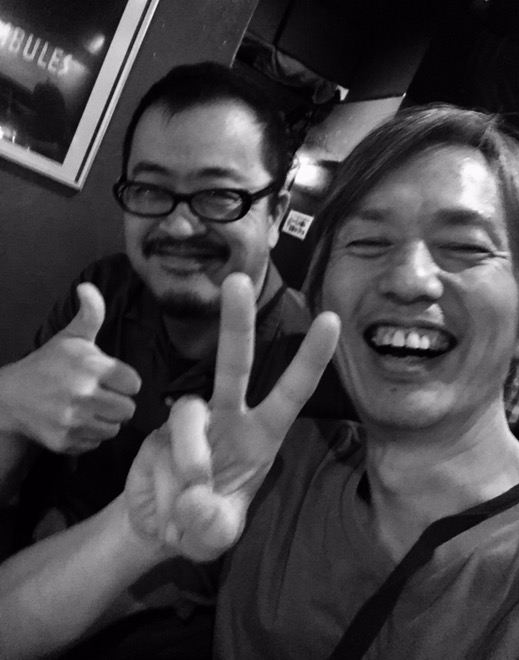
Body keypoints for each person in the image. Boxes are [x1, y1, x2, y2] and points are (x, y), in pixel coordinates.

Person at [2, 103, 519, 659]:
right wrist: (132, 532)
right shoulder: (277, 466)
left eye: (466, 247)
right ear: (322, 290)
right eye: (369, 242)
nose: (409, 279)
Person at [0, 61, 350, 652]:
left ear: (276, 213)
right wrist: (7, 405)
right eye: (150, 189)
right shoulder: (103, 295)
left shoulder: (309, 375)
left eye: (219, 195)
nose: (180, 226)